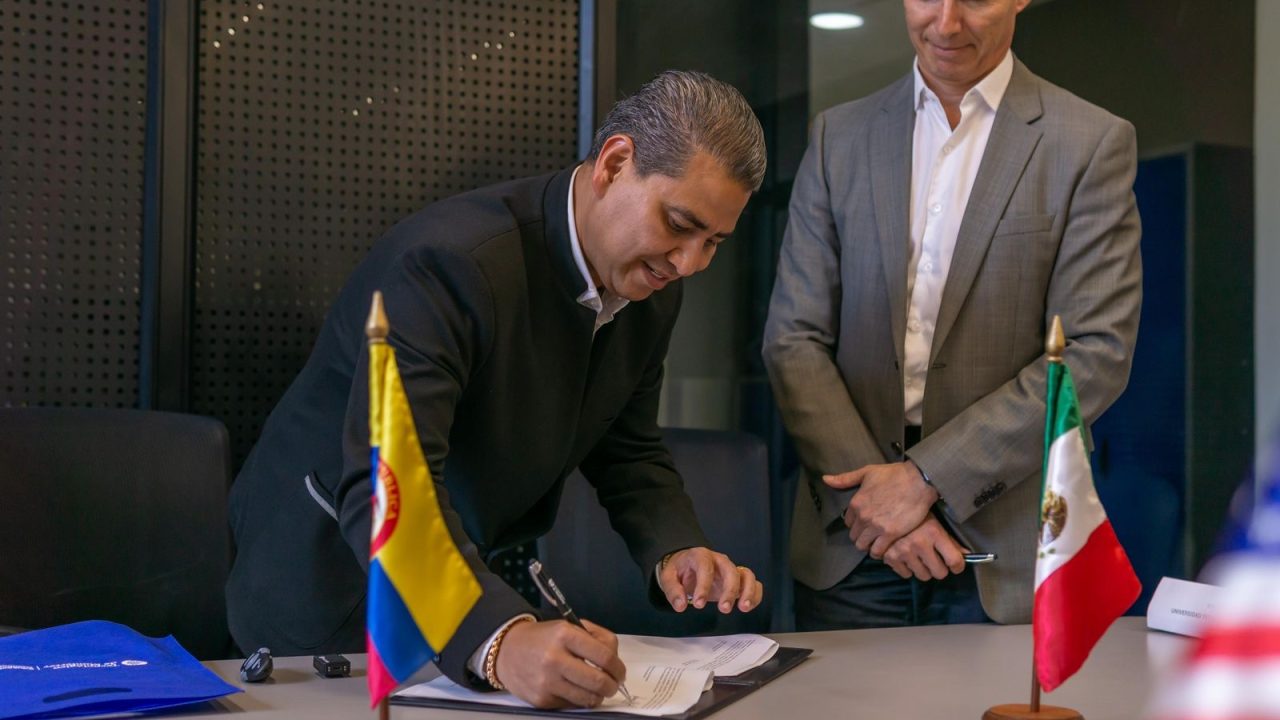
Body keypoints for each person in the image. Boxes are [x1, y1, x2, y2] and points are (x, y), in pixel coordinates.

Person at [227, 70, 767, 708]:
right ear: (615, 164)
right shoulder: (447, 263)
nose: (690, 264)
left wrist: (675, 547)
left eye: (713, 242)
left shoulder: (650, 287)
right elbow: (386, 482)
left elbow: (625, 443)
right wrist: (498, 640)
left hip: (461, 589)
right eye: (679, 224)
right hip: (330, 595)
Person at [763, 0, 1141, 630]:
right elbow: (793, 339)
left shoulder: (1089, 142)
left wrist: (925, 479)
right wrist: (876, 502)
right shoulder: (838, 136)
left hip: (1003, 550)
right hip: (851, 543)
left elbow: (1094, 354)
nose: (945, 23)